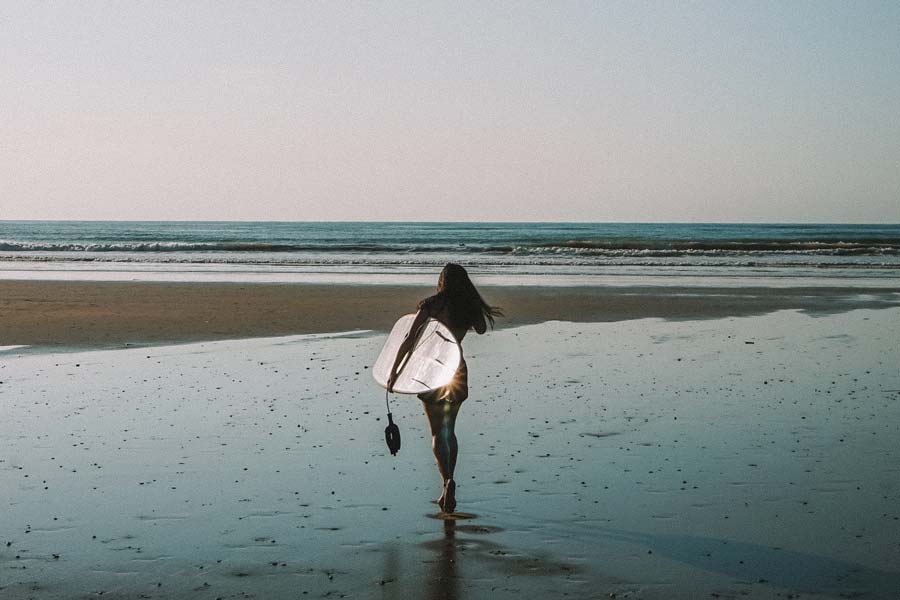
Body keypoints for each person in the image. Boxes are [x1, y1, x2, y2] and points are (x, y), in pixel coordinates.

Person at [387, 264, 501, 513]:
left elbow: (409, 339)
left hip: (432, 372)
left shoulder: (431, 305)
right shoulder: (467, 306)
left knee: (437, 432)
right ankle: (449, 481)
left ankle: (446, 481)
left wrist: (393, 371)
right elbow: (481, 329)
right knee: (450, 430)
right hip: (456, 369)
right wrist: (470, 304)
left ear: (442, 282)